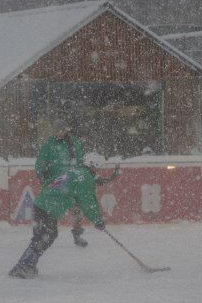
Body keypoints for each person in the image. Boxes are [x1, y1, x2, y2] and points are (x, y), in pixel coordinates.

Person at [9, 119, 105, 278]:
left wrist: (63, 187)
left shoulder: (75, 155)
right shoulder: (51, 146)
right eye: (56, 130)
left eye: (60, 130)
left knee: (46, 235)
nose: (58, 133)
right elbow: (88, 203)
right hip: (51, 202)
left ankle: (27, 264)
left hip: (49, 199)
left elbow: (75, 178)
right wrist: (98, 221)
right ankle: (23, 265)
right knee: (46, 235)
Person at [68, 153, 120, 247]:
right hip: (54, 198)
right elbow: (88, 203)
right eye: (97, 167)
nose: (98, 170)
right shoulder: (86, 179)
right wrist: (97, 220)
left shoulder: (81, 171)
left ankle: (76, 236)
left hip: (54, 196)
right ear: (91, 165)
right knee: (50, 230)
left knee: (76, 209)